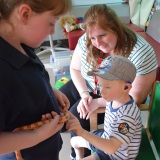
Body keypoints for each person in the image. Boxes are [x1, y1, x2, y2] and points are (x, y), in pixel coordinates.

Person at [59, 4, 158, 158]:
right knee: (54, 104)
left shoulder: (140, 52)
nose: (97, 43)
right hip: (90, 85)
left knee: (76, 115)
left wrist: (97, 102)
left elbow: (133, 97)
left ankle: (79, 155)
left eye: (103, 35)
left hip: (116, 95)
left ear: (116, 29)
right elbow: (76, 69)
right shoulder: (88, 39)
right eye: (92, 37)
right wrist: (85, 94)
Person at [0, 0, 72, 160]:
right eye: (51, 23)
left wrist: (51, 91)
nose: (53, 31)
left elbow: (30, 77)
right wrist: (37, 135)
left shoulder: (21, 44)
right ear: (25, 14)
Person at [67, 55, 142, 160]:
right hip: (105, 139)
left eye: (107, 87)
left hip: (115, 155)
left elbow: (111, 148)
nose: (101, 91)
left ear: (126, 87)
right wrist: (95, 102)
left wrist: (82, 132)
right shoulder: (114, 99)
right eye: (100, 85)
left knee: (80, 136)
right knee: (74, 141)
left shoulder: (126, 117)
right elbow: (102, 102)